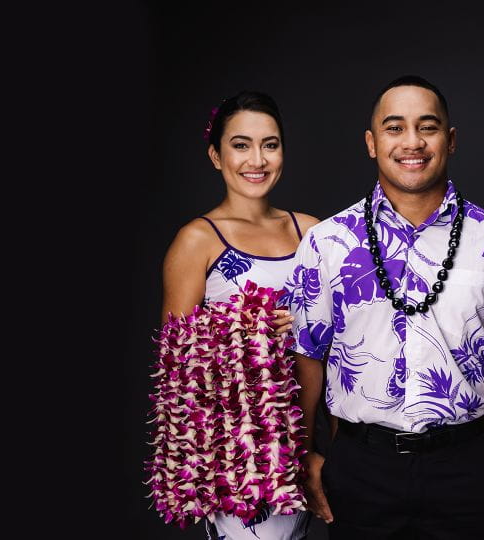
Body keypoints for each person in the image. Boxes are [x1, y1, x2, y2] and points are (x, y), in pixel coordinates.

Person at [287, 75, 484, 540]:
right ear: (372, 143)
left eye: (427, 127)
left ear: (450, 141)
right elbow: (308, 355)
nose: (412, 142)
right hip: (360, 467)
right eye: (395, 128)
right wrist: (304, 454)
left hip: (468, 468)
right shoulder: (326, 243)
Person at [160, 90, 318, 540]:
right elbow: (178, 369)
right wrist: (246, 325)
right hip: (245, 457)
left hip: (314, 442)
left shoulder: (311, 231)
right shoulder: (197, 240)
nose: (257, 159)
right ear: (216, 155)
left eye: (270, 144)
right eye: (241, 144)